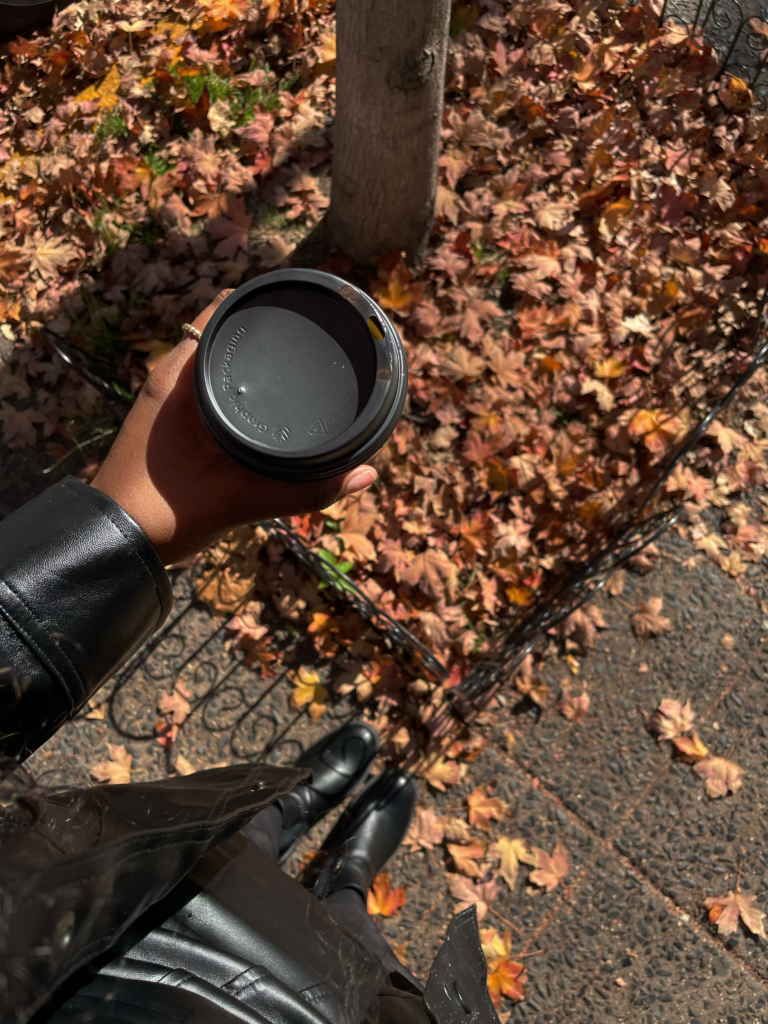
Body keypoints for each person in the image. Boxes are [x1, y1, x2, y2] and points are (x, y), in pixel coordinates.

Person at [0, 293, 500, 1024]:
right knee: (356, 947)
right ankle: (345, 880)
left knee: (223, 855)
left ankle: (279, 820)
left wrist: (122, 524)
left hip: (102, 899)